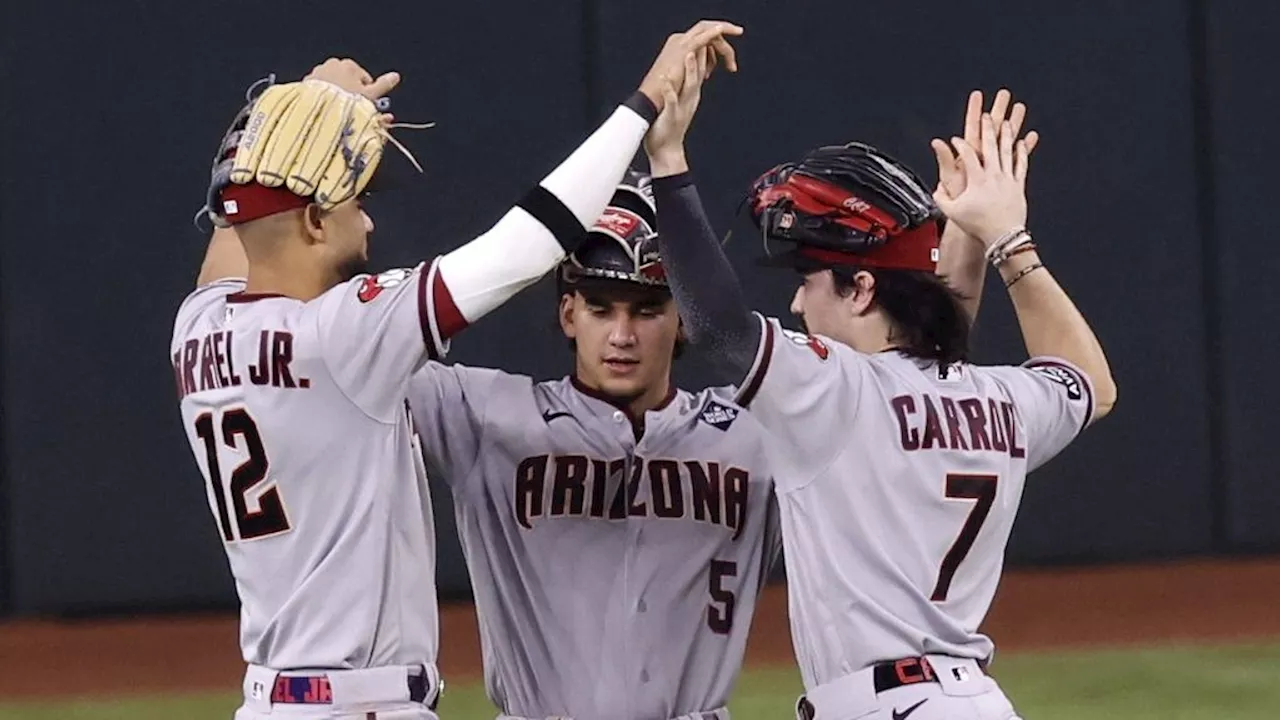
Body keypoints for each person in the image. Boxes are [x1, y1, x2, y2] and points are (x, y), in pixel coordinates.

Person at [171, 22, 743, 720]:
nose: (369, 224)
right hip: (361, 703)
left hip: (271, 698)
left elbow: (239, 218)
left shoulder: (199, 326)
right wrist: (647, 100)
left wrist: (305, 102)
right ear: (317, 221)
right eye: (357, 203)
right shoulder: (342, 333)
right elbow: (524, 247)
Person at [646, 69, 1118, 720]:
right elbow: (1089, 383)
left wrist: (667, 164)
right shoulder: (997, 400)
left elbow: (718, 329)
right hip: (976, 701)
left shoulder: (832, 389)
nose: (796, 299)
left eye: (808, 279)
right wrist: (999, 238)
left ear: (862, 289)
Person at [403, 59, 779, 720]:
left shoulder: (756, 438)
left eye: (646, 309)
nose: (623, 333)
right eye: (601, 307)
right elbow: (346, 347)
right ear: (568, 312)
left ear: (683, 317)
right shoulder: (483, 416)